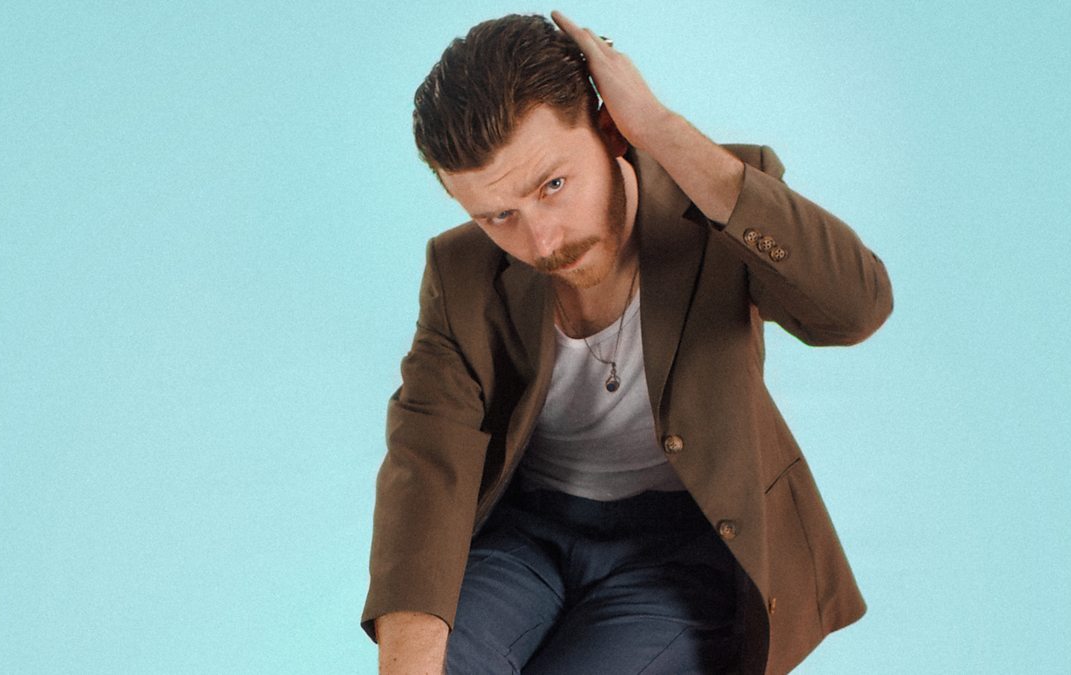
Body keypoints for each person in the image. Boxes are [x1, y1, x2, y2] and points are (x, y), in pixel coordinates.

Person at [362, 11, 893, 674]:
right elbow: (425, 465)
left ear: (610, 129)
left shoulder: (714, 203)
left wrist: (661, 129)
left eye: (554, 185)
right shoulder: (461, 270)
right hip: (525, 539)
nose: (542, 242)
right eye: (499, 215)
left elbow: (855, 309)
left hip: (678, 551)